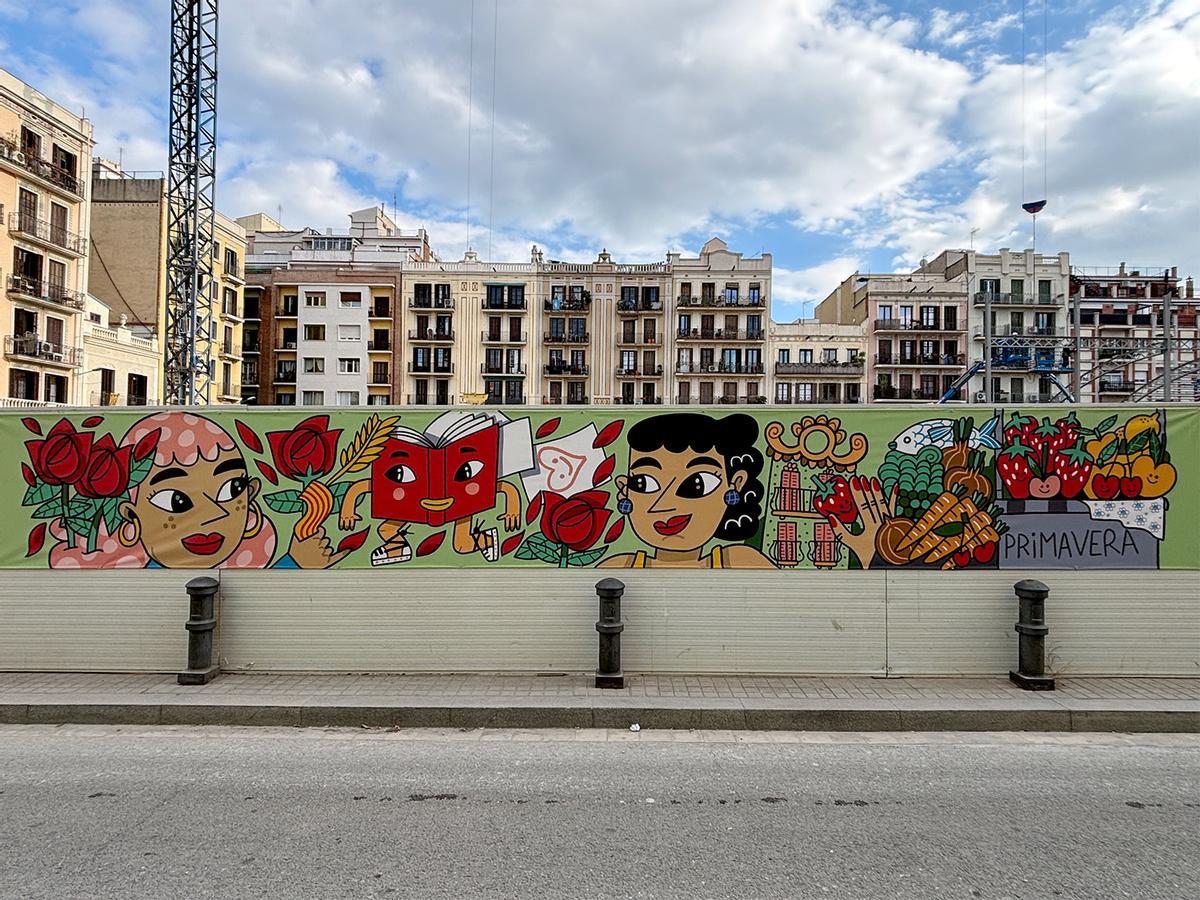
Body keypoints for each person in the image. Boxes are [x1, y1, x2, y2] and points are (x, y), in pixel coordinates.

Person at [48, 411, 343, 569]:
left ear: (251, 497)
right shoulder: (137, 577)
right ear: (130, 516)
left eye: (231, 489)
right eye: (176, 500)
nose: (213, 515)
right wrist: (293, 562)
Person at [599, 412, 774, 569]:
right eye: (643, 483)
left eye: (697, 484)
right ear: (624, 490)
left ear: (735, 484)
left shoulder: (739, 560)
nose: (663, 505)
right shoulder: (619, 566)